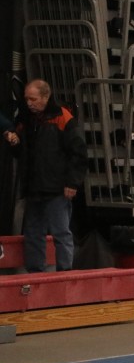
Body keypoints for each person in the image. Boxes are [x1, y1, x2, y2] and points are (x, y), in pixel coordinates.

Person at [6, 80, 87, 272]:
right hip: (34, 187)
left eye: (33, 99)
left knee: (61, 232)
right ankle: (35, 273)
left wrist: (72, 183)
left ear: (45, 97)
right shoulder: (26, 119)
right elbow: (21, 152)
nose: (29, 103)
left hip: (57, 187)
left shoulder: (62, 117)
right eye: (27, 99)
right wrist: (14, 142)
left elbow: (78, 152)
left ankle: (65, 273)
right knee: (33, 233)